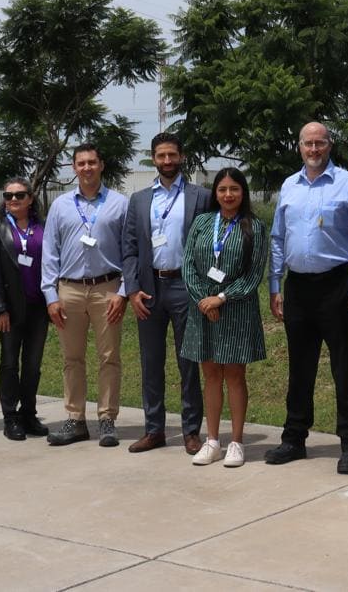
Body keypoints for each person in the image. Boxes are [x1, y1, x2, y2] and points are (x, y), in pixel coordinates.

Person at [266, 121, 348, 474]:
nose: (313, 149)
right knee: (300, 367)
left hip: (337, 285)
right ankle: (294, 439)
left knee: (345, 367)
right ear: (299, 147)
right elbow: (278, 238)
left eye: (319, 143)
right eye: (308, 143)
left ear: (329, 146)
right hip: (297, 287)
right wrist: (275, 285)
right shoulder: (289, 186)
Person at [122, 132, 211, 455]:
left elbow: (211, 243)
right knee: (151, 362)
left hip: (186, 288)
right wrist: (132, 290)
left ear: (181, 156)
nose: (167, 160)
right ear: (153, 158)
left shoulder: (201, 196)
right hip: (149, 290)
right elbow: (129, 248)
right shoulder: (139, 200)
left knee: (188, 362)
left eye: (172, 154)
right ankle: (154, 430)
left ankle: (191, 431)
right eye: (161, 155)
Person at [41, 143, 129, 447]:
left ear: (101, 165)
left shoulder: (120, 203)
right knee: (72, 358)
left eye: (92, 162)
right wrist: (51, 296)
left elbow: (130, 251)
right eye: (81, 163)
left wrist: (123, 292)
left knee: (109, 357)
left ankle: (107, 419)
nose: (87, 168)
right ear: (74, 168)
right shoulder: (60, 205)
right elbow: (49, 252)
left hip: (108, 289)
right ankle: (75, 419)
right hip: (69, 291)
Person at [180, 167, 268, 468]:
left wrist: (221, 298)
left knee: (234, 375)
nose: (228, 195)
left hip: (236, 309)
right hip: (203, 309)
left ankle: (237, 442)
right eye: (222, 189)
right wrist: (204, 300)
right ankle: (213, 441)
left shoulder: (254, 226)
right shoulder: (202, 223)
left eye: (234, 189)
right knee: (211, 375)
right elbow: (188, 265)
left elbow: (253, 274)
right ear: (215, 193)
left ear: (243, 192)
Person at [0, 178, 50, 441]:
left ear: (30, 198)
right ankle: (10, 417)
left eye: (19, 195)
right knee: (9, 363)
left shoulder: (42, 227)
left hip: (38, 307)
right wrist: (0, 308)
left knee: (33, 364)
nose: (13, 200)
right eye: (8, 195)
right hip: (10, 309)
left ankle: (28, 414)